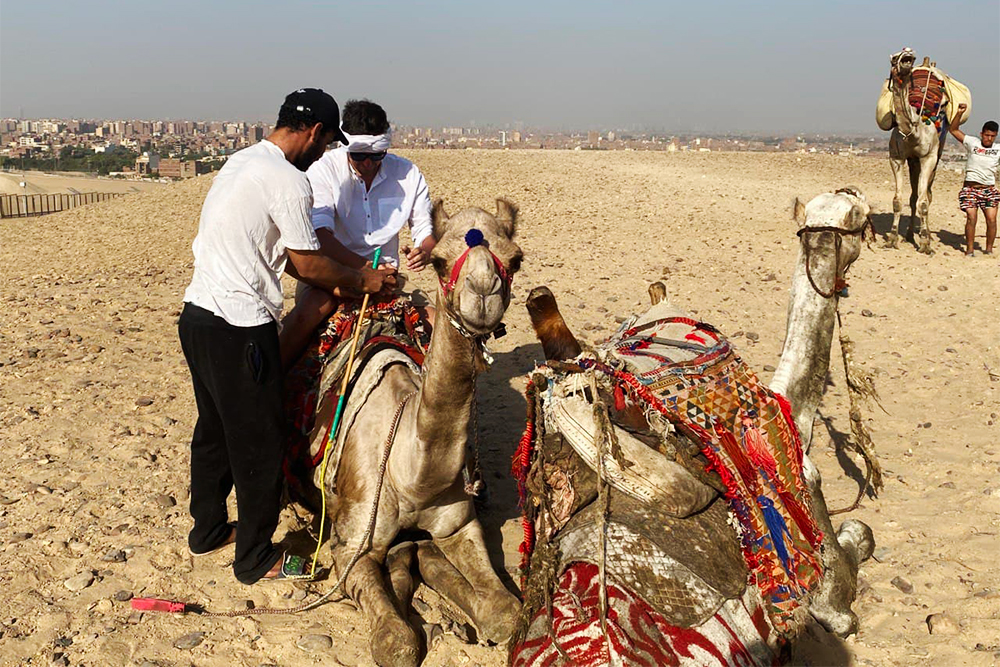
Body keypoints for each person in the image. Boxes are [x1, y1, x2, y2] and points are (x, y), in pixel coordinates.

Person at [178, 89, 397, 584]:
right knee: (259, 441)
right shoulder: (289, 181)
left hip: (197, 317)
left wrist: (345, 270)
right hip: (238, 325)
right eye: (326, 144)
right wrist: (364, 280)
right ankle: (255, 558)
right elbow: (307, 263)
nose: (325, 155)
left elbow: (305, 249)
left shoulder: (243, 161)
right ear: (316, 132)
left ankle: (208, 530)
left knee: (213, 429)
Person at [279, 99, 435, 368]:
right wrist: (364, 271)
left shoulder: (407, 173)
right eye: (359, 156)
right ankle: (274, 381)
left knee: (438, 323)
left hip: (390, 279)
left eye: (377, 156)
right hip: (332, 276)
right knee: (309, 314)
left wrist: (425, 250)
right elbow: (321, 234)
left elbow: (426, 230)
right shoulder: (325, 169)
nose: (368, 164)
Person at [949, 105, 999, 256]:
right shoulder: (973, 143)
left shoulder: (997, 149)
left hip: (988, 189)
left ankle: (989, 249)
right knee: (971, 217)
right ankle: (970, 249)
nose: (989, 138)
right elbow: (954, 130)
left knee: (991, 219)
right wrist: (959, 113)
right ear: (982, 134)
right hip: (970, 189)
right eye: (987, 135)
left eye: (992, 136)